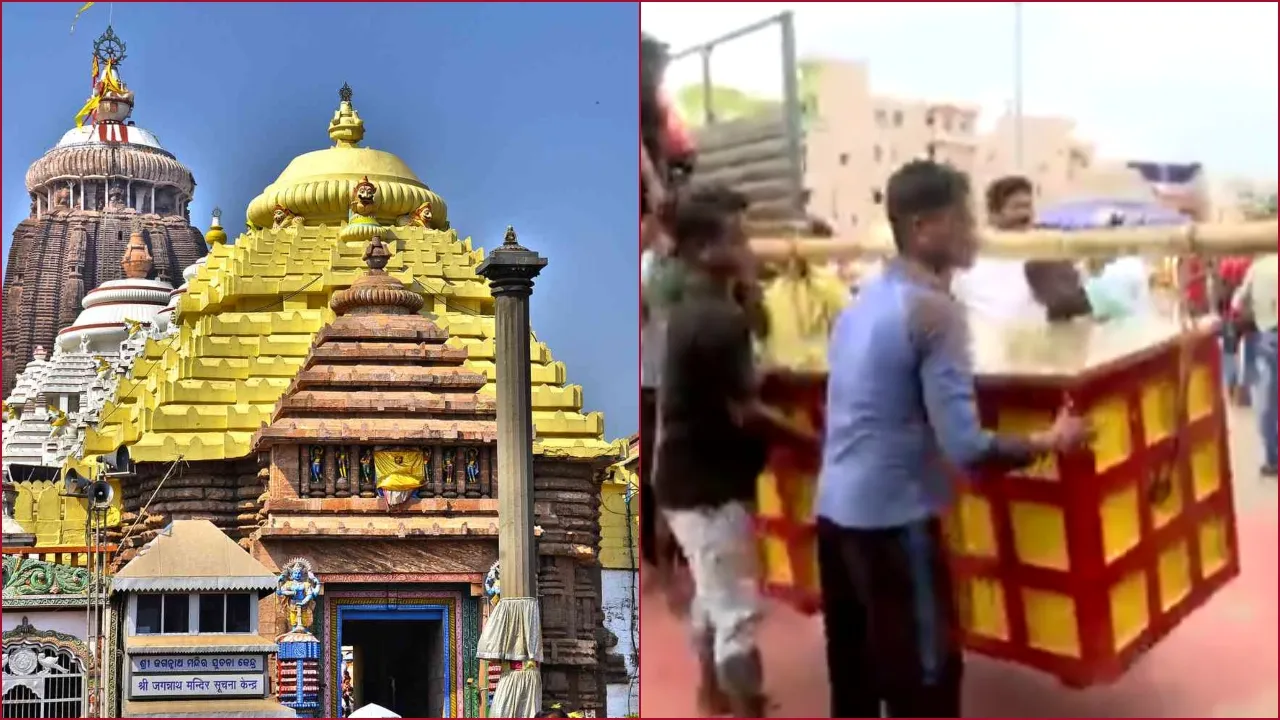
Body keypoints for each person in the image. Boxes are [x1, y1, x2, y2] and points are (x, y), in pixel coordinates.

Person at [815, 160, 1092, 718]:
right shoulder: (935, 312)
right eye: (963, 218)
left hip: (835, 516)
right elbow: (965, 447)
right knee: (927, 683)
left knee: (858, 684)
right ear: (923, 228)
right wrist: (1050, 439)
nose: (975, 232)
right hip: (895, 523)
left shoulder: (862, 302)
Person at [653, 186, 777, 717]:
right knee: (737, 614)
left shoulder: (701, 309)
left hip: (687, 480)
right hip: (708, 485)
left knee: (712, 593)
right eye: (739, 237)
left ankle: (711, 694)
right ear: (706, 250)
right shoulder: (714, 318)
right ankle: (743, 704)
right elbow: (747, 410)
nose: (750, 246)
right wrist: (817, 442)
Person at [951, 175, 1092, 322]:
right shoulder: (969, 256)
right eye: (1017, 207)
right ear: (994, 214)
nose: (1025, 214)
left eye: (1028, 206)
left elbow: (1075, 306)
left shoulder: (1045, 255)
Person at [1232, 252, 1278, 477]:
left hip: (1269, 335)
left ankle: (1273, 459)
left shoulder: (1258, 268)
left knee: (1267, 400)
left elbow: (1237, 303)